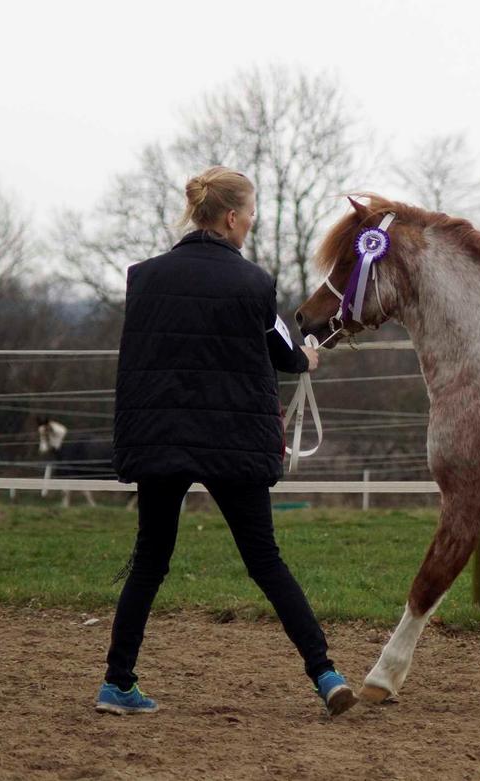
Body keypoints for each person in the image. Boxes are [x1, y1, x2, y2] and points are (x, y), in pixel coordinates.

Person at [95, 166, 355, 717]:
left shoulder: (144, 277)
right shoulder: (253, 284)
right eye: (252, 214)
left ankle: (117, 682)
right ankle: (325, 673)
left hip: (160, 438)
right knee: (265, 560)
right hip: (231, 442)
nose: (252, 224)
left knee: (149, 561)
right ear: (233, 218)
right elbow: (285, 352)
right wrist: (308, 357)